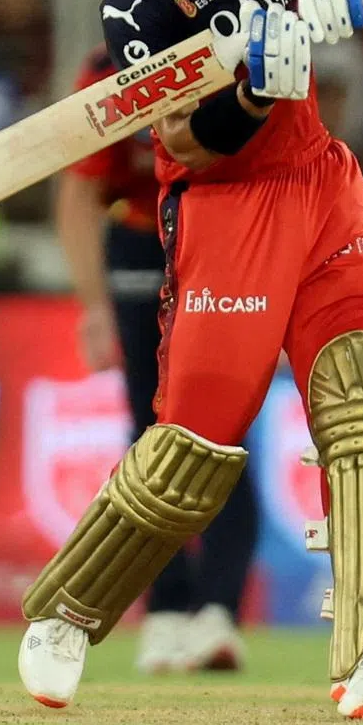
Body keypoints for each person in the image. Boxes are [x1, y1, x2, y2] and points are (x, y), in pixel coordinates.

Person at [18, 0, 363, 723]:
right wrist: (250, 89)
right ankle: (68, 614)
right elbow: (189, 144)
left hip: (320, 185)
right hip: (224, 208)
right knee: (193, 449)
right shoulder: (140, 0)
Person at [56, 46, 260, 673]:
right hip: (144, 244)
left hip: (224, 243)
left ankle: (216, 613)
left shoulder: (243, 50)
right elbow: (80, 193)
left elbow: (277, 177)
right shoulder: (110, 68)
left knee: (220, 432)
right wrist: (93, 308)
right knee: (152, 432)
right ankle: (168, 611)